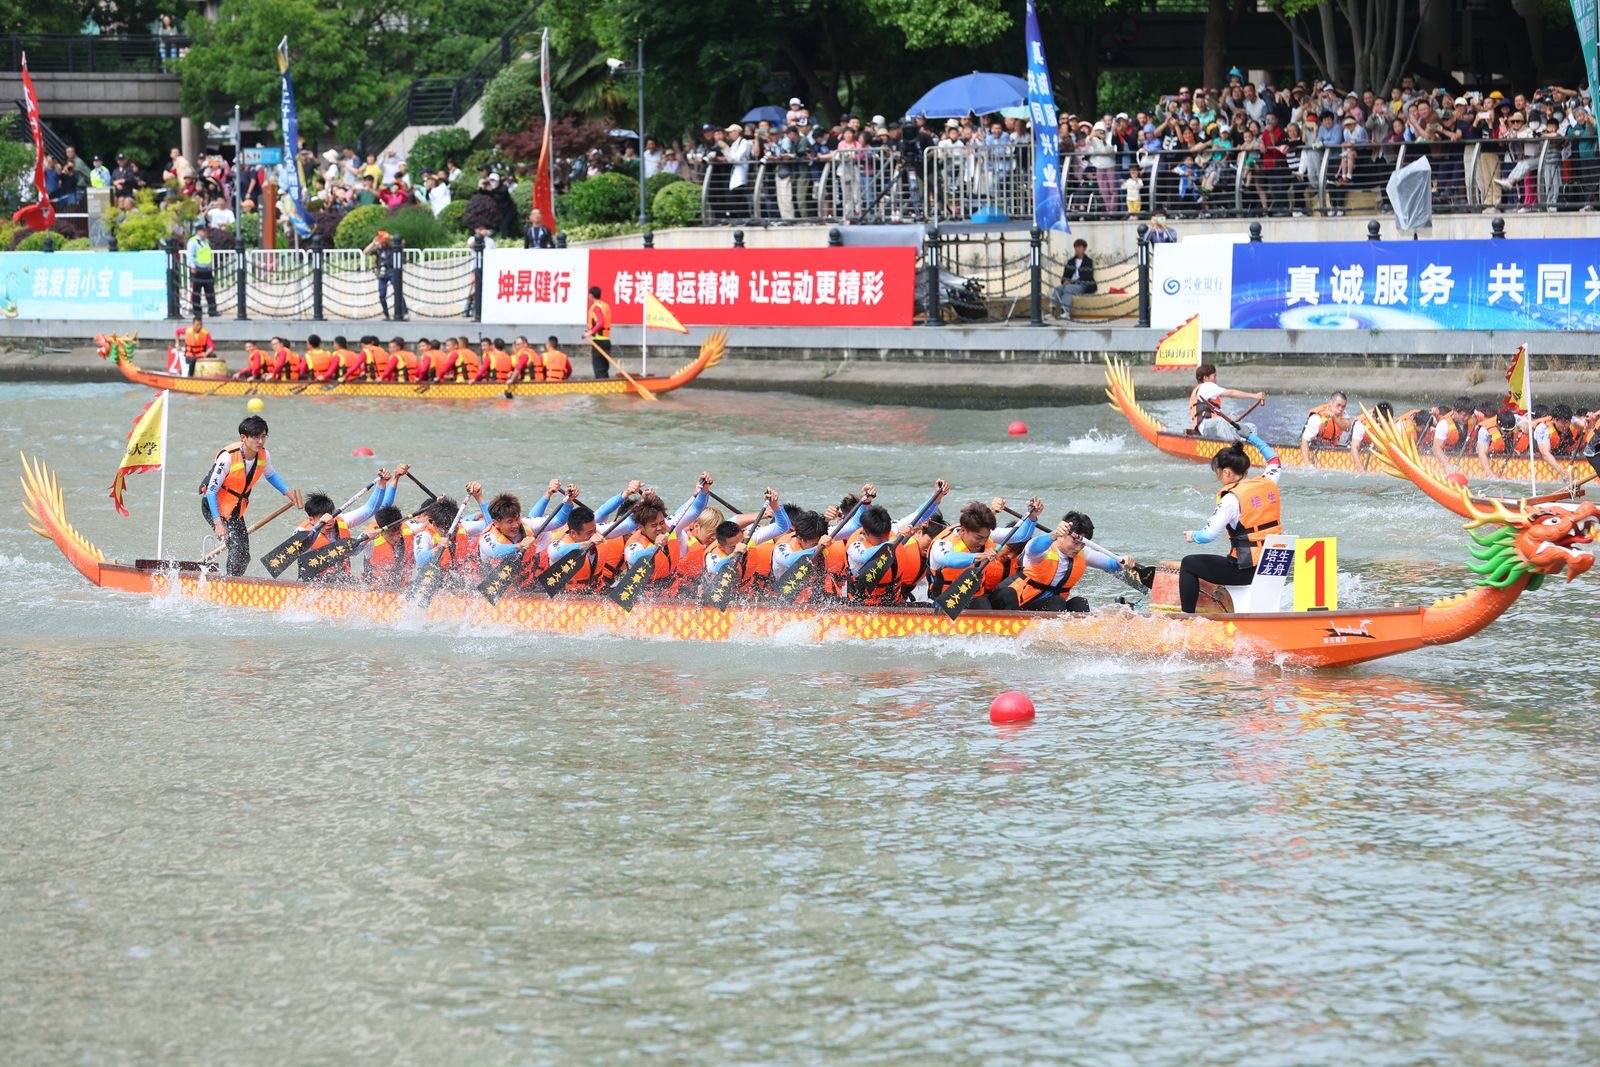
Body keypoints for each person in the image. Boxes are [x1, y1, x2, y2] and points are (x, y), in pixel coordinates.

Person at [1178, 444, 1282, 613]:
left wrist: (1193, 536)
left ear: (1227, 472)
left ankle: (1186, 620)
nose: (1219, 477)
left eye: (1218, 472)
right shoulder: (1268, 481)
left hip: (1247, 570)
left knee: (1189, 563)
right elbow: (1274, 461)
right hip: (1274, 564)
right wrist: (1252, 438)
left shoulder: (1231, 499)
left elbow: (1208, 535)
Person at [198, 415, 304, 577]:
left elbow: (271, 475)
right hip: (215, 506)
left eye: (263, 436)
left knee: (244, 556)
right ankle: (230, 584)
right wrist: (218, 523)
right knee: (236, 547)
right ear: (243, 438)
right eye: (255, 437)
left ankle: (234, 582)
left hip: (235, 510)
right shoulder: (227, 458)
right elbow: (211, 492)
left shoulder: (264, 455)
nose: (260, 441)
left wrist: (288, 493)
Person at [990, 511, 1135, 612]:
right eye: (1075, 542)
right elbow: (1032, 548)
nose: (1078, 548)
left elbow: (1110, 564)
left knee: (1080, 602)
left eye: (1082, 543)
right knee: (1057, 602)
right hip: (1011, 601)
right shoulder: (1042, 549)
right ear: (1062, 535)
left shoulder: (1082, 552)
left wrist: (1123, 562)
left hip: (1040, 606)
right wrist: (1053, 535)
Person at [926, 496, 1039, 608]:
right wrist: (979, 556)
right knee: (981, 604)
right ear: (963, 530)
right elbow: (949, 559)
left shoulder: (984, 534)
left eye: (986, 537)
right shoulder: (942, 544)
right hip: (946, 603)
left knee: (1008, 594)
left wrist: (1032, 516)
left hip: (975, 598)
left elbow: (1022, 535)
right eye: (978, 538)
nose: (983, 542)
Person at [1188, 363, 1275, 461]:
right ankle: (1242, 453)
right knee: (1222, 422)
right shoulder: (1206, 386)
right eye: (1214, 376)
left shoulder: (1204, 390)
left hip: (1212, 426)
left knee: (1250, 427)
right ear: (1205, 378)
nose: (1216, 379)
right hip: (1207, 426)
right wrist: (1255, 396)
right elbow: (1231, 393)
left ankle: (1249, 450)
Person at [363, 230, 406, 321]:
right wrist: (373, 243)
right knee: (382, 295)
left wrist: (389, 237)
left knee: (398, 292)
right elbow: (365, 252)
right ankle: (387, 315)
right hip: (382, 272)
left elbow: (402, 242)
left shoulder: (391, 246)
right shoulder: (378, 248)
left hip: (392, 270)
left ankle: (404, 312)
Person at [1299, 391, 1350, 463]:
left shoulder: (1343, 414)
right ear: (1330, 403)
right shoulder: (1316, 418)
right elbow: (1304, 441)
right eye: (1338, 405)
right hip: (1311, 444)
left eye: (1343, 406)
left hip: (1329, 446)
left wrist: (1334, 417)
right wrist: (1307, 465)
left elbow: (1347, 428)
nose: (1340, 409)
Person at [185, 223, 218, 318]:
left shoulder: (206, 241)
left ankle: (212, 310)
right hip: (198, 269)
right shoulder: (193, 241)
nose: (205, 232)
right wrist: (192, 266)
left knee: (210, 291)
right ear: (198, 231)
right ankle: (197, 311)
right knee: (196, 292)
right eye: (203, 231)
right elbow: (190, 255)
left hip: (207, 269)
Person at [1054, 238, 1096, 311]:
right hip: (1069, 284)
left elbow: (1087, 276)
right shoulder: (1071, 261)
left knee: (1068, 288)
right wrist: (1065, 281)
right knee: (1058, 289)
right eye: (1076, 247)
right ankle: (1053, 309)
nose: (1077, 249)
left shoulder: (1089, 261)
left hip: (1082, 285)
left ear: (1084, 248)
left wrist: (1071, 282)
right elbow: (1065, 276)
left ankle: (1065, 311)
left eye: (1079, 247)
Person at [585, 285, 613, 379]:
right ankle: (607, 390)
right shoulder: (605, 305)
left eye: (589, 295)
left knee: (599, 370)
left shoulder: (596, 307)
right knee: (604, 369)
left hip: (599, 342)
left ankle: (602, 391)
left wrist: (589, 332)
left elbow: (600, 323)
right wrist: (590, 330)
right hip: (606, 341)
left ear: (591, 296)